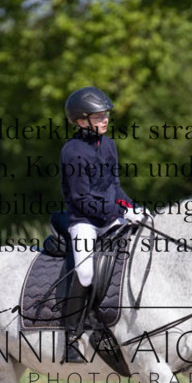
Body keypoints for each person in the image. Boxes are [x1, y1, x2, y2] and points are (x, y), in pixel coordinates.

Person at [60, 86, 145, 363]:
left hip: (109, 217)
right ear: (80, 120)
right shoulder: (73, 152)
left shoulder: (108, 145)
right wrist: (115, 213)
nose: (105, 120)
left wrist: (133, 208)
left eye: (105, 115)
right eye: (98, 117)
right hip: (84, 221)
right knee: (85, 273)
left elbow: (115, 187)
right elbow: (81, 198)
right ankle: (72, 336)